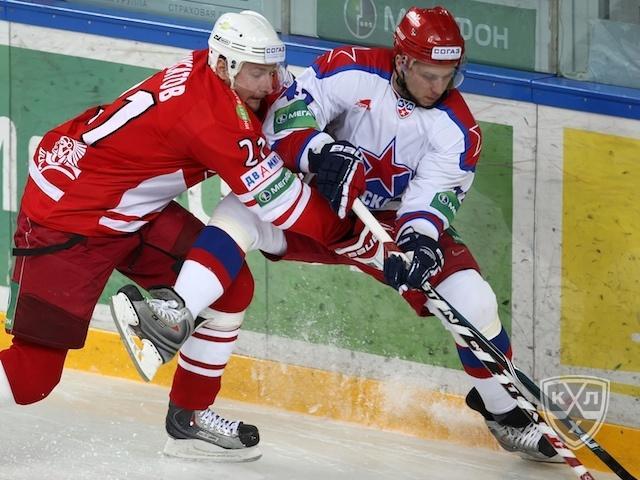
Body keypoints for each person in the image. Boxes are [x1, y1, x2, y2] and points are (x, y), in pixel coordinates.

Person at [112, 6, 560, 463]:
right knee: (244, 206)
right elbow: (284, 119)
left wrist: (420, 241)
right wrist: (320, 151)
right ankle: (176, 311)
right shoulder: (350, 67)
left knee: (474, 300)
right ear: (403, 61)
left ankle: (507, 416)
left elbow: (432, 198)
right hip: (322, 202)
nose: (439, 87)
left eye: (449, 76)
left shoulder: (458, 130)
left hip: (387, 224)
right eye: (429, 74)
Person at [0, 10, 364, 462]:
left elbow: (284, 104)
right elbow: (282, 207)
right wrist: (364, 242)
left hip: (126, 204)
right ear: (224, 65)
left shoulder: (217, 72)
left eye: (272, 69)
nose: (268, 83)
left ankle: (188, 422)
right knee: (32, 377)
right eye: (258, 73)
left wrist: (317, 148)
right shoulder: (212, 117)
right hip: (69, 214)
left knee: (229, 286)